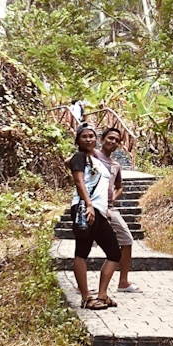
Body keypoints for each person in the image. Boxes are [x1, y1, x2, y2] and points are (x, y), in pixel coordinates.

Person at [67, 123, 121, 310]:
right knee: (82, 251)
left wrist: (101, 209)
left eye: (91, 136)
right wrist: (88, 205)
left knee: (114, 252)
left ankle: (102, 295)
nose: (89, 139)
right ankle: (86, 297)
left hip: (98, 211)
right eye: (84, 136)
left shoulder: (95, 160)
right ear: (78, 140)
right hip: (85, 208)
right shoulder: (79, 157)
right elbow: (79, 181)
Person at [93, 127, 142, 293]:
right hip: (92, 206)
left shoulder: (116, 165)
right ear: (102, 138)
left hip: (110, 209)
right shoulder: (92, 155)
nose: (113, 142)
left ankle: (123, 282)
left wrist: (113, 196)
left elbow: (119, 186)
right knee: (85, 245)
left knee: (127, 240)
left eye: (116, 140)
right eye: (110, 138)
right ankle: (82, 285)